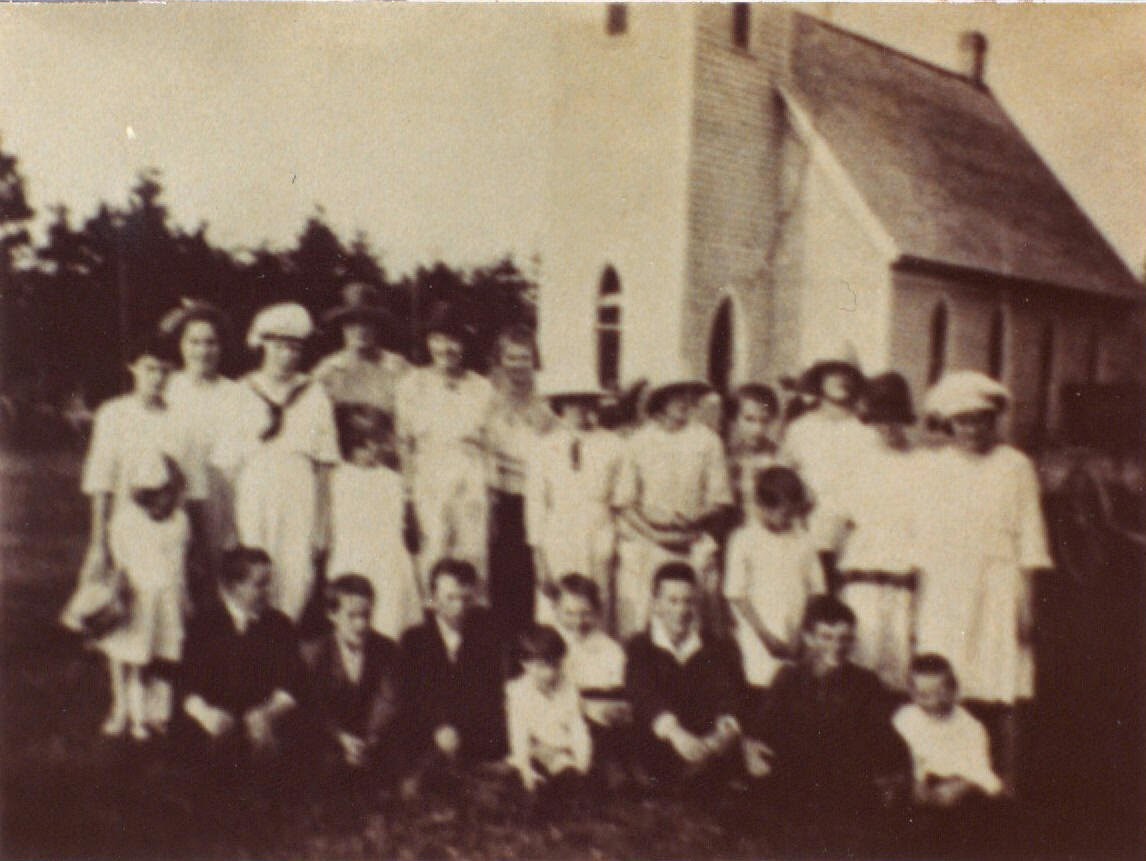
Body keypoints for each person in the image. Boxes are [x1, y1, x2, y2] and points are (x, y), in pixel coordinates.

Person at [914, 370, 1052, 795]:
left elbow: (1031, 536)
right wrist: (921, 597)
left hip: (998, 582)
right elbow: (924, 536)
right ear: (949, 424)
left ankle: (1007, 780)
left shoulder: (1016, 466)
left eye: (980, 419)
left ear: (994, 420)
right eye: (962, 420)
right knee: (948, 674)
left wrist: (1026, 603)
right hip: (948, 581)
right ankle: (941, 770)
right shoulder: (935, 466)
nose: (971, 428)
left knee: (1004, 680)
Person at [71, 334, 202, 739]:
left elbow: (192, 486)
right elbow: (101, 482)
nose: (158, 378)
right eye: (150, 369)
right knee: (126, 615)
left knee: (162, 616)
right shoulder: (115, 414)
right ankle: (121, 705)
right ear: (133, 369)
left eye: (165, 370)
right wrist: (98, 543)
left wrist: (190, 540)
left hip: (169, 530)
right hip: (129, 526)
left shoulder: (182, 419)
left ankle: (152, 711)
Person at [740, 595, 908, 853]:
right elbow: (762, 727)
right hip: (795, 775)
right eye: (826, 637)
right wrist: (751, 749)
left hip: (845, 779)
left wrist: (888, 778)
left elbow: (882, 738)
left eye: (844, 639)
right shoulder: (789, 676)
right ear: (808, 638)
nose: (836, 647)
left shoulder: (865, 682)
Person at [211, 303, 340, 623]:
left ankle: (284, 651)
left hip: (299, 498)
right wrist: (229, 525)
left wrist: (321, 527)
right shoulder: (240, 393)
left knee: (296, 579)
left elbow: (325, 465)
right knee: (251, 580)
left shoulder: (314, 394)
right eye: (280, 346)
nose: (288, 355)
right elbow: (225, 467)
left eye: (295, 347)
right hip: (254, 498)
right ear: (263, 346)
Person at [613, 376, 733, 637]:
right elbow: (624, 503)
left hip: (692, 539)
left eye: (689, 394)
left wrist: (694, 519)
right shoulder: (638, 441)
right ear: (660, 400)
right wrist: (655, 534)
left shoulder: (708, 441)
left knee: (697, 620)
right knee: (639, 621)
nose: (684, 401)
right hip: (647, 540)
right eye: (675, 394)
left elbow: (720, 500)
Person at [395, 304, 494, 593]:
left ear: (463, 344)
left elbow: (489, 448)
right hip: (429, 479)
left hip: (471, 481)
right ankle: (431, 628)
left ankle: (473, 628)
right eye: (439, 339)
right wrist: (408, 497)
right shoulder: (412, 385)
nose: (446, 348)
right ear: (429, 342)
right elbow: (404, 446)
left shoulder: (482, 388)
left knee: (472, 558)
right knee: (432, 555)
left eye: (454, 340)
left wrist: (491, 497)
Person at [180, 546, 303, 775]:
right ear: (234, 586)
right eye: (260, 584)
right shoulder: (205, 625)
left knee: (271, 742)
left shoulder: (279, 625)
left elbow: (292, 681)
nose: (268, 591)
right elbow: (188, 684)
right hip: (216, 718)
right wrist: (209, 716)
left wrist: (268, 712)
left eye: (269, 582)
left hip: (262, 718)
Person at [835, 371, 923, 691]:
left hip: (902, 581)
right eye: (879, 419)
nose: (886, 427)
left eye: (894, 419)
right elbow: (843, 522)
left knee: (898, 668)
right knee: (860, 661)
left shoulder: (922, 464)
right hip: (862, 579)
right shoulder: (858, 462)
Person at [625, 563, 746, 787]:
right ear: (656, 604)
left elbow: (729, 696)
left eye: (688, 601)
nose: (681, 611)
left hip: (706, 746)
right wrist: (676, 735)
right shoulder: (640, 646)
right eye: (672, 600)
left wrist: (719, 737)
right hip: (660, 745)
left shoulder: (716, 647)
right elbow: (644, 696)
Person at [398, 558, 506, 798]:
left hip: (472, 733)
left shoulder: (487, 635)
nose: (459, 607)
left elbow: (489, 694)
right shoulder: (415, 640)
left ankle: (467, 777)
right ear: (433, 598)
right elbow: (413, 696)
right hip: (430, 731)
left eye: (466, 599)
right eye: (450, 598)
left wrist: (461, 731)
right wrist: (438, 728)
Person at [894, 653, 1017, 856]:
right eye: (924, 695)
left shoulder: (970, 725)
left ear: (954, 689)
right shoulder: (905, 719)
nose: (933, 702)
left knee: (977, 818)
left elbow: (979, 766)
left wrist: (962, 786)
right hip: (919, 790)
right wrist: (917, 786)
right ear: (911, 693)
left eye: (941, 693)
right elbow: (902, 758)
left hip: (962, 790)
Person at [527, 370, 622, 629]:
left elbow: (620, 500)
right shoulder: (543, 446)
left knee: (597, 604)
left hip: (598, 533)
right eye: (572, 402)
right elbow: (536, 505)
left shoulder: (613, 444)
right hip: (558, 535)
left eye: (586, 401)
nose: (579, 408)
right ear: (560, 406)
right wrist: (539, 559)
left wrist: (612, 544)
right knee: (556, 604)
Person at [724, 467, 823, 701]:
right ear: (761, 506)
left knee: (794, 692)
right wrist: (765, 635)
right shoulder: (744, 539)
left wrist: (801, 632)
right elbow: (736, 594)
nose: (786, 518)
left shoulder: (804, 541)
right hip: (759, 636)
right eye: (781, 511)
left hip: (796, 635)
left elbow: (816, 590)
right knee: (761, 690)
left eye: (791, 512)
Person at [780, 346, 878, 585]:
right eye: (833, 372)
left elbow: (874, 488)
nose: (841, 380)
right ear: (820, 379)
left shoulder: (866, 433)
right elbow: (783, 479)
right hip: (806, 532)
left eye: (848, 374)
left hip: (851, 539)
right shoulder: (800, 429)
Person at [159, 299, 239, 585]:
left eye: (211, 343)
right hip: (171, 494)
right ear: (181, 345)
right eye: (194, 342)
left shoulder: (234, 394)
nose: (203, 351)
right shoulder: (168, 388)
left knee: (218, 573)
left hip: (219, 496)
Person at [327, 406, 423, 639]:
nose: (375, 449)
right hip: (353, 558)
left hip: (389, 563)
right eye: (367, 442)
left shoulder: (393, 480)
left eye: (380, 442)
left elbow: (409, 530)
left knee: (390, 621)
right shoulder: (337, 478)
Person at [485, 325, 556, 639]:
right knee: (500, 582)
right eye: (510, 357)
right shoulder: (488, 398)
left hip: (535, 500)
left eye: (524, 357)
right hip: (500, 499)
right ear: (500, 360)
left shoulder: (546, 403)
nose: (517, 365)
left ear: (534, 359)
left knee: (530, 583)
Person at [301, 575, 403, 788]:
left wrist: (369, 740)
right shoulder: (313, 654)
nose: (361, 624)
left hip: (371, 743)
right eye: (352, 616)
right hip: (330, 743)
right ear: (332, 614)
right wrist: (341, 739)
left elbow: (387, 700)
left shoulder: (386, 649)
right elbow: (313, 708)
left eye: (366, 615)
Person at [550, 574, 631, 785]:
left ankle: (604, 771)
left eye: (585, 614)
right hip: (561, 715)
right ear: (556, 611)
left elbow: (619, 691)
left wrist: (614, 709)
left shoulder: (610, 649)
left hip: (602, 716)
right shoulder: (549, 645)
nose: (578, 622)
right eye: (569, 613)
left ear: (597, 612)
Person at [506, 625, 592, 796]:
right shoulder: (518, 691)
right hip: (533, 752)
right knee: (518, 779)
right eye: (540, 666)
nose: (549, 673)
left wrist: (581, 764)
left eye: (554, 665)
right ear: (525, 663)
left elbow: (578, 730)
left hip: (561, 752)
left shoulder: (568, 689)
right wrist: (525, 770)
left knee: (569, 778)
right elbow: (519, 734)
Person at [312, 281, 409, 420]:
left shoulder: (398, 368)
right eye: (352, 323)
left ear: (377, 327)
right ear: (343, 328)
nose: (360, 331)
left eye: (366, 322)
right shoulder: (327, 371)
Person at [725, 383, 781, 518]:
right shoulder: (725, 456)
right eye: (749, 420)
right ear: (734, 420)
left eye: (764, 421)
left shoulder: (778, 457)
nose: (758, 429)